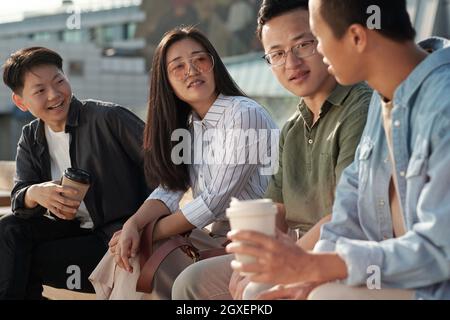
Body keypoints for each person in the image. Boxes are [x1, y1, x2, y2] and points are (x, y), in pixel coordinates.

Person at [226, 0, 450, 300]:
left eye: (313, 39)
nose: (312, 53)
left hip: (434, 285)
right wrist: (307, 275)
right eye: (277, 54)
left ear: (357, 37)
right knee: (272, 293)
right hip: (391, 277)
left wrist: (322, 267)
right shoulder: (382, 102)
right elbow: (348, 214)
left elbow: (440, 250)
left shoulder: (442, 105)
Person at [172, 0, 372, 300]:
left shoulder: (360, 107)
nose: (291, 63)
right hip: (293, 252)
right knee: (191, 282)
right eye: (277, 54)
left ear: (327, 40)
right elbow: (274, 211)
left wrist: (282, 263)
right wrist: (253, 260)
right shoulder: (291, 128)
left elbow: (348, 214)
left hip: (344, 256)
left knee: (256, 291)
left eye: (303, 45)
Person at [91, 26, 278, 300]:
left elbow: (214, 201)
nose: (191, 70)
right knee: (131, 251)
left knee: (138, 250)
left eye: (199, 60)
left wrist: (148, 232)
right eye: (178, 67)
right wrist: (133, 224)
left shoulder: (243, 115)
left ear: (214, 65)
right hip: (216, 237)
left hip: (257, 238)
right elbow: (170, 188)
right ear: (165, 81)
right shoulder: (190, 125)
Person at [0, 47, 149, 300]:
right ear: (20, 101)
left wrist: (141, 223)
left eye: (59, 81)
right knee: (9, 230)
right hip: (73, 233)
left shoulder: (108, 118)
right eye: (39, 90)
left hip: (115, 238)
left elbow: (164, 168)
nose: (54, 95)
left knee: (16, 264)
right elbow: (19, 197)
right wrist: (36, 193)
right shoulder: (31, 137)